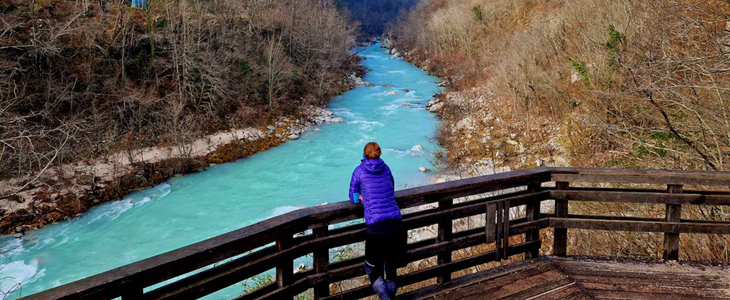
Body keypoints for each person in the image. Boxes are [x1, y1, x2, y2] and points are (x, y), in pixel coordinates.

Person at [349, 142, 405, 300]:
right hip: (396, 225)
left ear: (364, 155)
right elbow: (391, 188)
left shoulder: (359, 171)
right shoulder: (386, 168)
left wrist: (361, 197)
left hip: (376, 228)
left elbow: (353, 197)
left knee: (371, 268)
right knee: (391, 268)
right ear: (379, 154)